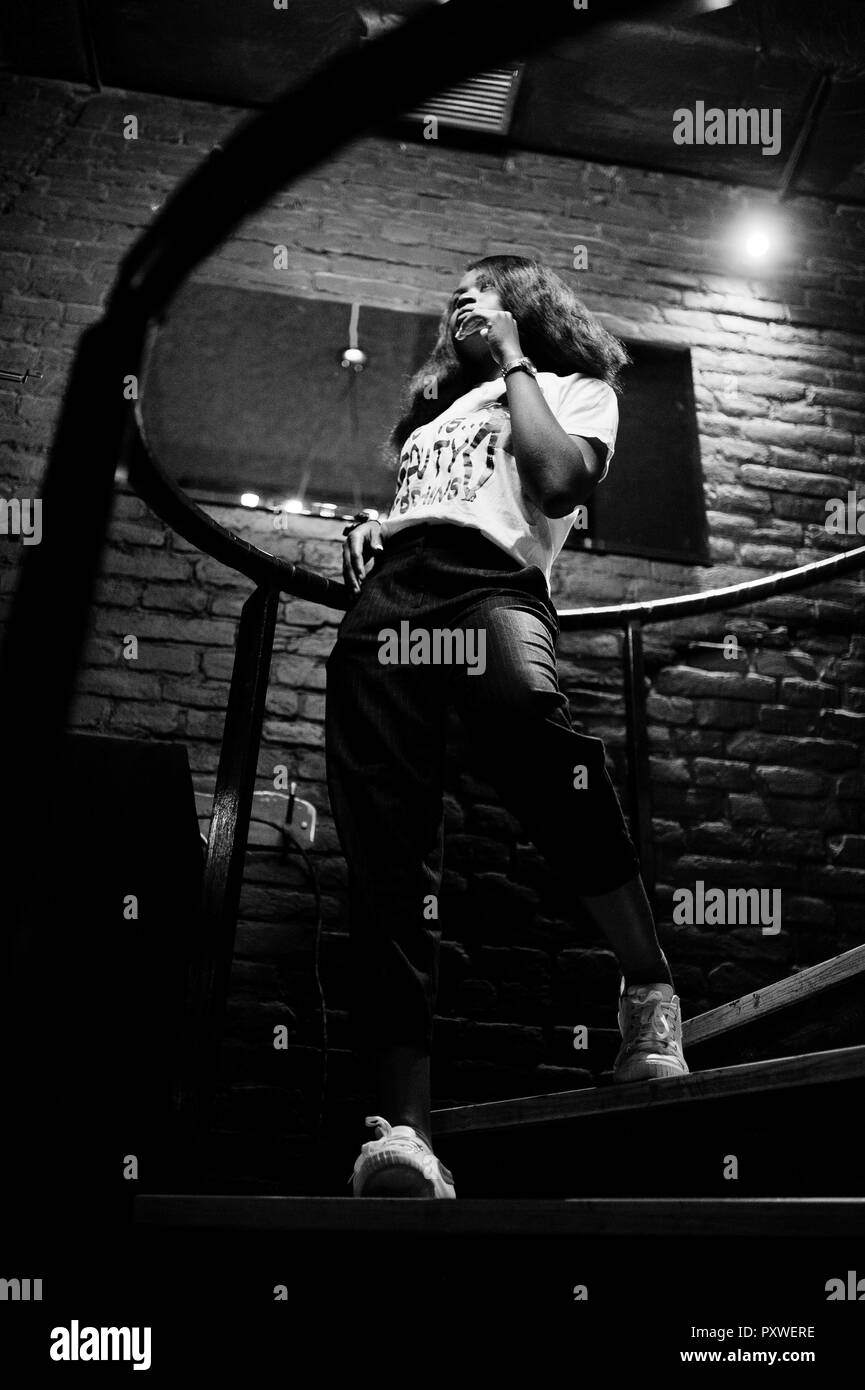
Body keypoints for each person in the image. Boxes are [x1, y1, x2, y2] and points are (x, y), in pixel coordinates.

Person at [325, 255, 688, 1199]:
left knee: (533, 723)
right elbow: (437, 499)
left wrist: (515, 359)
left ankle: (647, 987)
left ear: (527, 308)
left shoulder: (576, 388)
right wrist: (381, 523)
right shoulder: (431, 417)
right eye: (456, 295)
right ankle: (404, 1136)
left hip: (491, 588)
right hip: (392, 603)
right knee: (384, 848)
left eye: (483, 291)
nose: (460, 302)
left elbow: (559, 484)